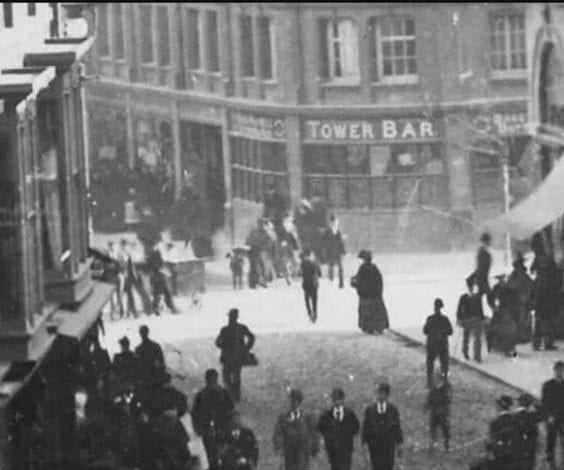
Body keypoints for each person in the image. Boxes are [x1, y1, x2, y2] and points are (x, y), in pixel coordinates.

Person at [192, 369, 235, 470]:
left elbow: (195, 414)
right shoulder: (221, 393)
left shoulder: (203, 395)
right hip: (213, 430)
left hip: (218, 430)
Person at [215, 308, 256, 403]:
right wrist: (246, 348)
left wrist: (246, 348)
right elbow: (217, 342)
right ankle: (233, 397)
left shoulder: (232, 329)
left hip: (233, 358)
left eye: (232, 317)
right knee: (230, 378)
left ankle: (233, 397)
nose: (231, 319)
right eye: (231, 317)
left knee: (232, 378)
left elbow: (217, 342)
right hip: (232, 358)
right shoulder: (229, 329)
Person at [273, 388, 319, 470]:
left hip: (303, 453)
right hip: (289, 454)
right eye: (290, 400)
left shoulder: (307, 417)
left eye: (293, 400)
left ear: (298, 401)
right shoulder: (283, 417)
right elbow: (277, 433)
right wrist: (279, 447)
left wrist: (314, 448)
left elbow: (314, 433)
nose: (290, 403)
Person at [362, 383, 403, 470]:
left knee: (388, 466)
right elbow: (365, 427)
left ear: (387, 395)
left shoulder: (393, 410)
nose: (380, 395)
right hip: (374, 446)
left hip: (389, 446)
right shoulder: (370, 410)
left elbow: (397, 427)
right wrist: (364, 443)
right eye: (379, 393)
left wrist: (400, 443)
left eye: (383, 393)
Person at [317, 387, 360, 470]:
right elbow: (320, 427)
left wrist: (347, 435)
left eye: (339, 399)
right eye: (335, 399)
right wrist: (328, 436)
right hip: (332, 449)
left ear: (343, 400)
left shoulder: (349, 414)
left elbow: (356, 427)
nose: (337, 401)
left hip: (346, 448)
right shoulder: (327, 415)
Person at [531, 236, 560, 351]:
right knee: (548, 319)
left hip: (539, 293)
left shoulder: (537, 259)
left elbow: (532, 270)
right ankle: (548, 342)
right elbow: (554, 275)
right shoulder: (548, 259)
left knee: (539, 319)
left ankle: (536, 343)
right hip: (548, 293)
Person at [351, 251, 389, 334]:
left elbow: (360, 282)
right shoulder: (374, 268)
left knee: (367, 312)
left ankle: (369, 327)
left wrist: (355, 284)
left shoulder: (363, 268)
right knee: (377, 311)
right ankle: (378, 326)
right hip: (375, 295)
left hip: (366, 296)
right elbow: (379, 281)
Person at [423, 298, 453, 387]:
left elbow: (425, 331)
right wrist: (442, 334)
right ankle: (445, 378)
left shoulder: (430, 319)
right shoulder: (445, 319)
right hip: (442, 344)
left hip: (432, 344)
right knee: (444, 363)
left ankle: (429, 379)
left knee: (430, 362)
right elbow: (450, 331)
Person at [118, 239, 152, 317]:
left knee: (142, 292)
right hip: (127, 276)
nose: (124, 247)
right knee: (130, 295)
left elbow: (137, 261)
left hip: (134, 275)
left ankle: (148, 309)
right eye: (122, 246)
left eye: (124, 245)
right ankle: (133, 312)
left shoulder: (130, 252)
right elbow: (121, 265)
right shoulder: (120, 254)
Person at [486, 395, 520, 470]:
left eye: (497, 405)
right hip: (516, 459)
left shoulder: (495, 422)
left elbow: (491, 442)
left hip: (500, 458)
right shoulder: (517, 420)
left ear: (500, 406)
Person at [134, 325, 166, 404]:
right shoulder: (154, 346)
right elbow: (162, 363)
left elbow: (161, 363)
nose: (142, 334)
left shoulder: (139, 349)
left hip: (149, 380)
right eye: (142, 333)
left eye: (143, 333)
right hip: (151, 379)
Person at [506, 254, 534, 344]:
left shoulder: (516, 276)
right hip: (519, 302)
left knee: (522, 320)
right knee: (520, 320)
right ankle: (520, 336)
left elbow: (531, 287)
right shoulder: (517, 276)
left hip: (521, 302)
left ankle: (520, 336)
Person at [487, 275, 518, 358]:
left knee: (510, 331)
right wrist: (494, 307)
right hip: (501, 312)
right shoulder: (496, 288)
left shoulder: (510, 288)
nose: (502, 281)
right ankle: (501, 348)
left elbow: (515, 299)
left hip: (509, 312)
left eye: (503, 279)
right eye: (501, 280)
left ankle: (509, 349)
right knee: (502, 330)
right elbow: (490, 298)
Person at [541, 361, 564, 470]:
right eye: (557, 370)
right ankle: (550, 461)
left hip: (563, 418)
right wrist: (548, 416)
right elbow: (544, 403)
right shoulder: (547, 385)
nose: (559, 372)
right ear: (553, 370)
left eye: (561, 370)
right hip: (551, 418)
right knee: (551, 440)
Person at [456, 279, 486, 363]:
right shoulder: (464, 297)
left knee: (478, 339)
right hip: (467, 320)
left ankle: (477, 356)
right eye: (470, 287)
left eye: (472, 286)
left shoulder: (478, 297)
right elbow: (459, 309)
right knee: (466, 338)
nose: (471, 288)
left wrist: (482, 318)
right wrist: (459, 319)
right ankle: (465, 352)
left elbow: (481, 309)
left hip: (477, 319)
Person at [514, 393, 542, 470]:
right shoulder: (532, 415)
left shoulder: (517, 414)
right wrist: (534, 403)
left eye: (519, 401)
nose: (517, 403)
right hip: (529, 450)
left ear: (522, 402)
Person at [146, 246, 177, 315]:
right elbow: (159, 268)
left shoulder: (153, 258)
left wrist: (167, 272)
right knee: (160, 294)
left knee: (160, 294)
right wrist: (169, 273)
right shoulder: (155, 258)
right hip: (158, 279)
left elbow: (160, 267)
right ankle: (166, 308)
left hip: (157, 279)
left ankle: (167, 307)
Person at [425, 373, 451, 452]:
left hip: (443, 414)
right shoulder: (433, 390)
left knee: (445, 429)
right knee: (432, 428)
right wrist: (427, 406)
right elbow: (430, 399)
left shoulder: (445, 390)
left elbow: (447, 401)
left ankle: (446, 444)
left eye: (436, 380)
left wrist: (443, 410)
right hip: (434, 413)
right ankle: (432, 443)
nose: (434, 382)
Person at [323, 215, 346, 289]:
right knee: (331, 267)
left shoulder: (339, 231)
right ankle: (331, 280)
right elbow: (324, 242)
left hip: (338, 252)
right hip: (330, 251)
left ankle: (341, 284)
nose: (335, 223)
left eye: (336, 222)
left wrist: (343, 252)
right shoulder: (327, 231)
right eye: (333, 222)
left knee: (340, 268)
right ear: (331, 222)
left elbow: (341, 242)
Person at [300, 250, 321, 323]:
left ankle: (309, 313)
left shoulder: (303, 263)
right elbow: (319, 273)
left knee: (307, 299)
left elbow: (301, 273)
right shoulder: (315, 263)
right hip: (314, 283)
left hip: (306, 283)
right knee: (314, 300)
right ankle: (315, 313)